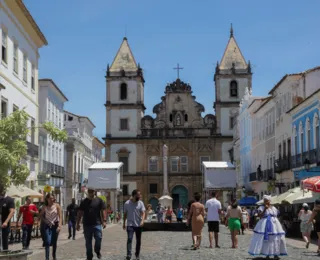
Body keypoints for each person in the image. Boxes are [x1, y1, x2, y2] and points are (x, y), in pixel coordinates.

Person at [76, 189, 107, 260]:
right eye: (89, 192)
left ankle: (97, 250)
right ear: (87, 192)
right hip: (87, 225)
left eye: (92, 191)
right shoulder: (84, 202)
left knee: (99, 238)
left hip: (97, 223)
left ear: (94, 192)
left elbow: (103, 211)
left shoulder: (99, 200)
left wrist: (104, 221)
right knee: (88, 242)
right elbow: (80, 213)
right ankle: (89, 256)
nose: (90, 193)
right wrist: (77, 224)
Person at [123, 189, 145, 260]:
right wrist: (124, 223)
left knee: (138, 240)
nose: (140, 196)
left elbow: (143, 212)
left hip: (138, 225)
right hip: (130, 224)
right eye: (138, 195)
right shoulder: (127, 203)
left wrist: (142, 221)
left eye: (140, 194)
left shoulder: (140, 203)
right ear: (134, 195)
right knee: (129, 239)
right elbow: (125, 214)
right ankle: (129, 254)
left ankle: (137, 254)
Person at [41, 193, 62, 260]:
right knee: (47, 241)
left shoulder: (57, 206)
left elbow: (60, 216)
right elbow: (41, 215)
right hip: (47, 225)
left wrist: (59, 225)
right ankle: (47, 258)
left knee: (54, 241)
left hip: (55, 225)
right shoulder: (44, 207)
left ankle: (54, 255)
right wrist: (44, 220)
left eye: (53, 198)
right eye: (50, 198)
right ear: (47, 199)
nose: (52, 199)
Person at [0, 185, 15, 251]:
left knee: (4, 241)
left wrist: (6, 222)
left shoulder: (9, 200)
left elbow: (12, 211)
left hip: (5, 224)